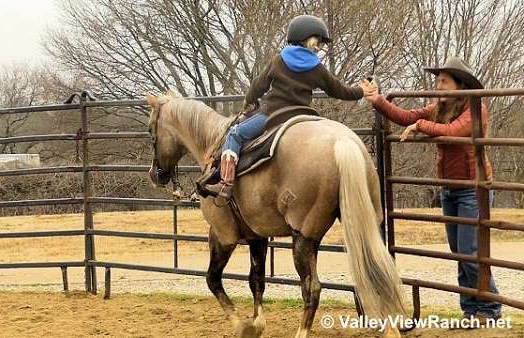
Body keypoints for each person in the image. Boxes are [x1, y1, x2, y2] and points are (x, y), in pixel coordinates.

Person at [359, 57, 502, 322]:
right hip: (450, 188)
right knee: (458, 251)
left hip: (473, 188)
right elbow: (407, 117)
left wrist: (421, 127)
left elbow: (455, 131)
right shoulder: (439, 107)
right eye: (437, 80)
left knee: (469, 252)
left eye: (444, 81)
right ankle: (471, 309)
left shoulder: (475, 107)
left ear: (460, 85)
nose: (438, 85)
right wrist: (378, 100)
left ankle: (490, 307)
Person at [205, 14, 364, 199]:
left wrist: (250, 99)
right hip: (302, 116)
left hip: (273, 114)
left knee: (235, 134)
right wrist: (362, 91)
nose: (320, 46)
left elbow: (258, 86)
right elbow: (340, 91)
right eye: (319, 42)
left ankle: (226, 184)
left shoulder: (278, 60)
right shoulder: (317, 68)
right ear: (310, 41)